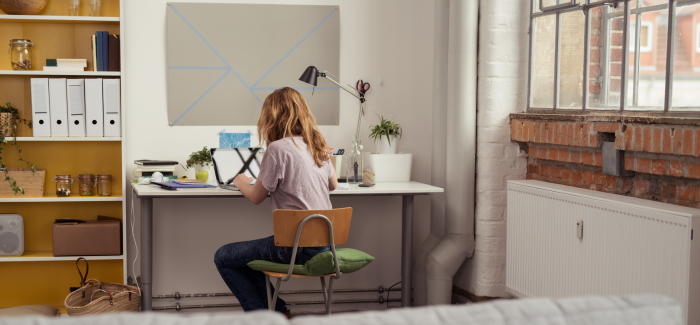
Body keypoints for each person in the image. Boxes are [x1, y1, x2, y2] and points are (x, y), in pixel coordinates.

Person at [214, 87, 338, 317]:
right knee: (249, 257)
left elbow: (256, 197)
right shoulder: (318, 145)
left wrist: (241, 181)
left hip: (292, 249)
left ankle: (263, 318)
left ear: (271, 118)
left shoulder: (277, 149)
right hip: (324, 246)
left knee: (223, 257)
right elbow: (333, 185)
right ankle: (278, 312)